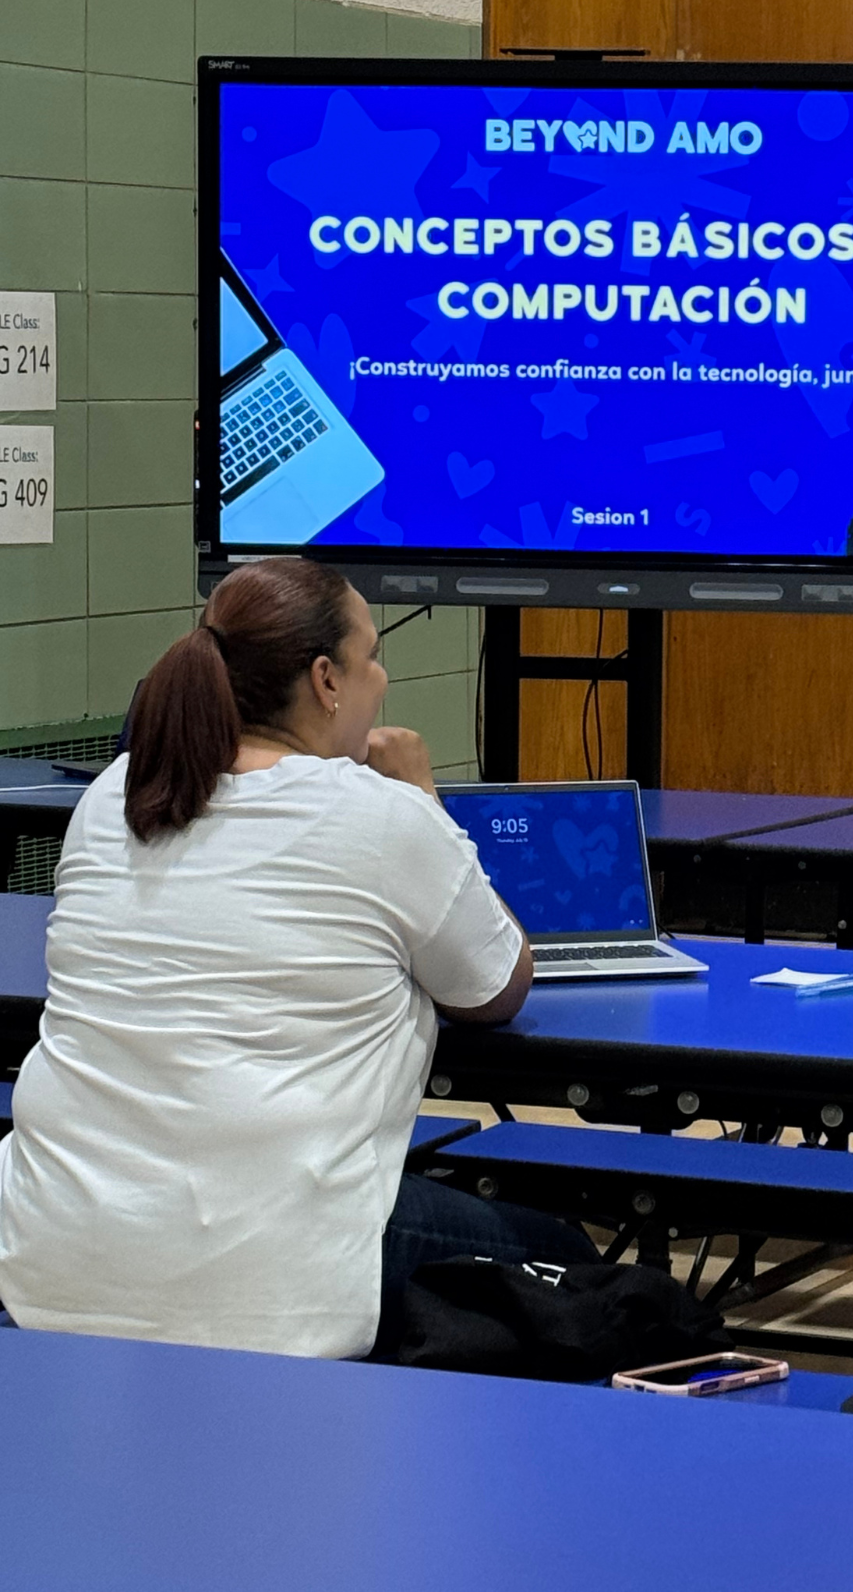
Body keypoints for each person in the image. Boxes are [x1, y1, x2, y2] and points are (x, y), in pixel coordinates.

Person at [0, 558, 595, 1360]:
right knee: (569, 1258)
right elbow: (496, 983)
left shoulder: (117, 793)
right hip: (275, 1288)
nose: (381, 678)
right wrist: (422, 796)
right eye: (372, 656)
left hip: (49, 1258)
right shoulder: (381, 815)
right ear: (325, 680)